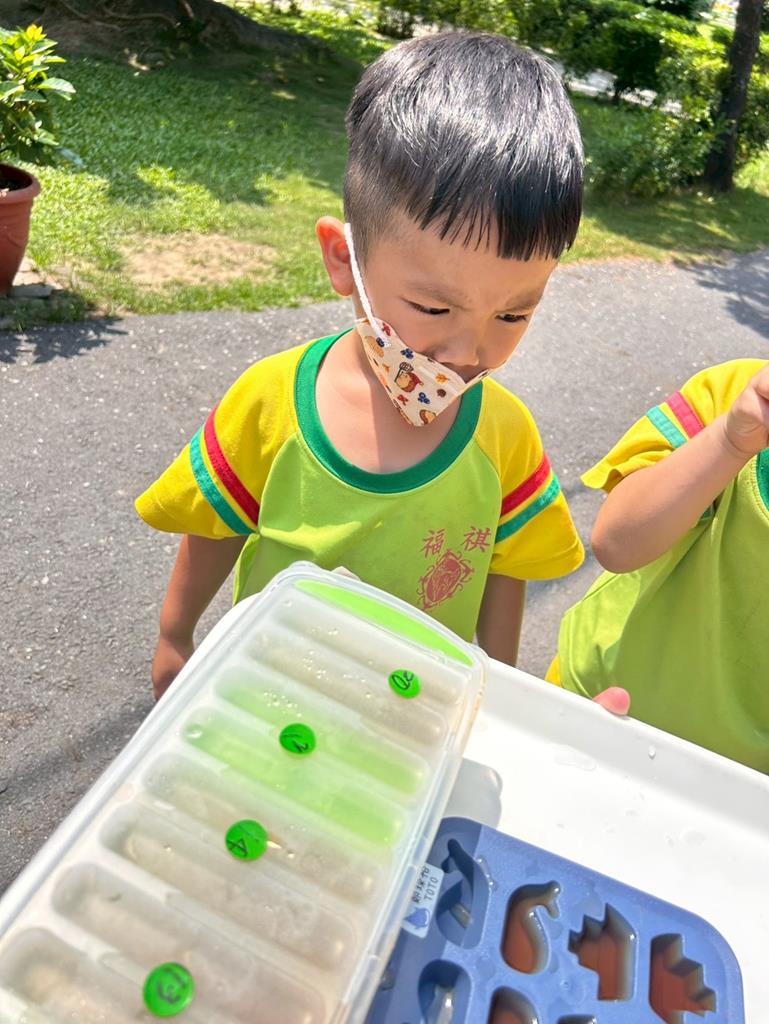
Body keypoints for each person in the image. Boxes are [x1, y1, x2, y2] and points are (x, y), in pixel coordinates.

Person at [136, 30, 618, 706]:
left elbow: (504, 568)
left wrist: (497, 686)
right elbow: (216, 525)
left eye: (512, 314)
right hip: (268, 692)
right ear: (344, 260)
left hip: (413, 713)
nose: (467, 352)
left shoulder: (504, 437)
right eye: (433, 307)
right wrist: (175, 635)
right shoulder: (272, 401)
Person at [549, 358, 769, 772]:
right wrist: (728, 443)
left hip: (736, 786)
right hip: (596, 697)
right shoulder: (733, 396)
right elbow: (616, 543)